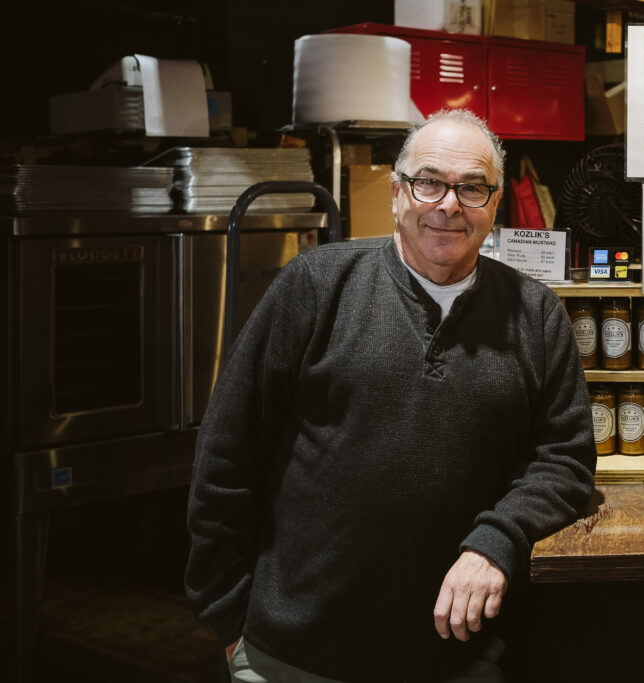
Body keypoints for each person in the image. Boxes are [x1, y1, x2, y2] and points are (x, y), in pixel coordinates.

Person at [185, 108, 597, 682]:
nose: (449, 204)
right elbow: (226, 455)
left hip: (454, 657)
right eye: (429, 181)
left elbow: (565, 458)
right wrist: (226, 616)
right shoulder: (315, 286)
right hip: (292, 655)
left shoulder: (536, 314)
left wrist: (497, 541)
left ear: (494, 203)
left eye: (472, 187)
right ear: (397, 194)